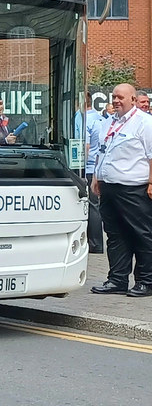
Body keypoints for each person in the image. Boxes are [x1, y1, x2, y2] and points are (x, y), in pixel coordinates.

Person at [90, 83, 152, 297]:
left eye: (121, 97)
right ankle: (117, 280)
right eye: (114, 97)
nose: (116, 101)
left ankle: (146, 281)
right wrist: (97, 177)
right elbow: (102, 152)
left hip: (134, 190)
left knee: (142, 235)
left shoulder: (145, 123)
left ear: (133, 100)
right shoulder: (108, 122)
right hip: (109, 187)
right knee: (115, 236)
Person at [79, 90, 105, 253]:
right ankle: (97, 243)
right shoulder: (100, 118)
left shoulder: (82, 118)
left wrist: (79, 166)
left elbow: (85, 145)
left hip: (87, 167)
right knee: (95, 205)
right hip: (97, 167)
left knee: (91, 206)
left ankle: (94, 243)